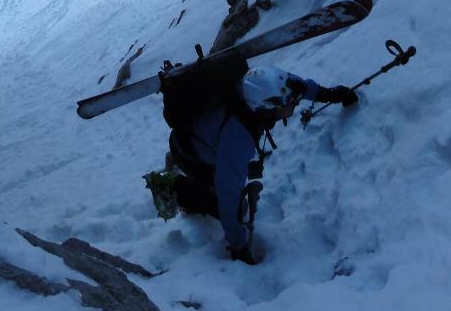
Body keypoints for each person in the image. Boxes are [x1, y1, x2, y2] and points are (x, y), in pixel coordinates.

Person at [151, 64, 358, 264]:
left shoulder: (263, 86)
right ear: (266, 108)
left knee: (230, 185)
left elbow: (298, 87)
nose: (295, 103)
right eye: (290, 103)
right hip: (192, 152)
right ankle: (175, 188)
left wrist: (328, 94)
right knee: (233, 207)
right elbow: (229, 194)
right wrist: (238, 245)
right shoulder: (238, 137)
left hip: (204, 136)